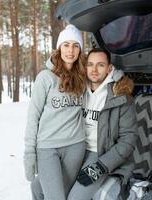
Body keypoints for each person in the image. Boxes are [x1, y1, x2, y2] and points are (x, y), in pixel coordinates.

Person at [23, 24, 87, 200]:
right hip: (47, 147)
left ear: (80, 49)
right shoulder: (45, 77)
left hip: (76, 145)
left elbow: (102, 79)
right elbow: (33, 116)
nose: (70, 50)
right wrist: (29, 152)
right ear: (59, 48)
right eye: (66, 45)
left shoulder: (83, 78)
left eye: (75, 45)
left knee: (47, 190)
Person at [67, 48, 138, 200]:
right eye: (90, 64)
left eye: (100, 65)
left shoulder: (122, 97)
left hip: (100, 154)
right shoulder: (76, 90)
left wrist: (101, 166)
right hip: (74, 149)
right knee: (38, 187)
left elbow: (128, 140)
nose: (94, 69)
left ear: (109, 68)